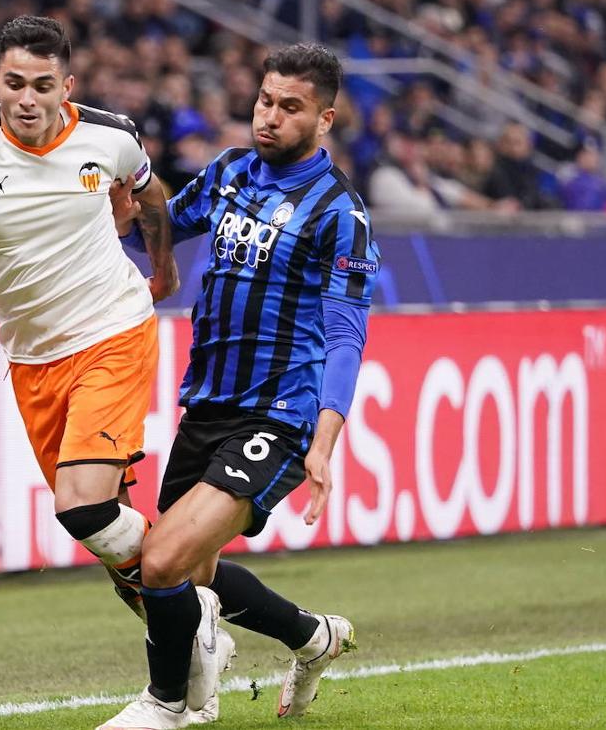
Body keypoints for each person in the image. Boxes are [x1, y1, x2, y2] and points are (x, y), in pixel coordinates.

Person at [0, 15, 241, 714]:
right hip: (32, 360)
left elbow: (149, 197)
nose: (27, 99)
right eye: (15, 84)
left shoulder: (110, 135)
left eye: (43, 86)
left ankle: (172, 682)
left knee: (80, 506)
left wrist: (164, 268)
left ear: (68, 87)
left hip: (114, 331)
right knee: (109, 532)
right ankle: (203, 608)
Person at [102, 43, 375, 729]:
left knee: (162, 562)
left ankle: (163, 706)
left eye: (291, 108)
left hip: (278, 414)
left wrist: (325, 439)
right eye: (265, 101)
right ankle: (314, 638)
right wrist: (119, 199)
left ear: (324, 120)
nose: (271, 117)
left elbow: (346, 333)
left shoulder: (338, 211)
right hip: (208, 402)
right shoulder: (229, 171)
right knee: (167, 575)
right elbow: (157, 234)